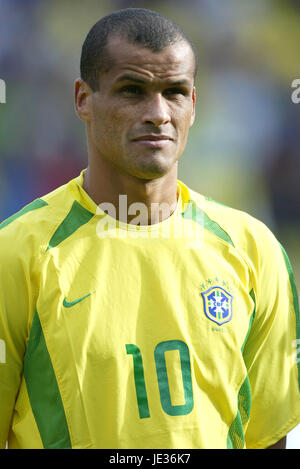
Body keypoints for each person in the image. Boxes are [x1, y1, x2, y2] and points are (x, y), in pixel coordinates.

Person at [0, 8, 299, 450]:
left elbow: (270, 437)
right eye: (132, 90)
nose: (157, 113)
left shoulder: (253, 250)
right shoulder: (18, 253)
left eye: (174, 92)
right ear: (83, 99)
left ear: (193, 105)